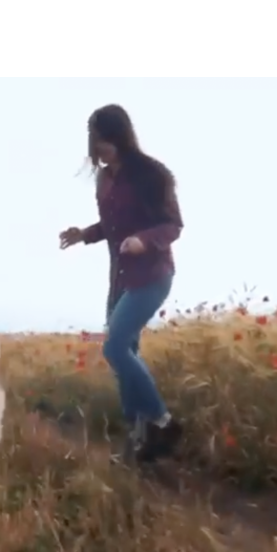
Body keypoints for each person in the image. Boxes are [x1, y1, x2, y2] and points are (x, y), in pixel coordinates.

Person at [60, 104, 184, 465]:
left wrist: (145, 240)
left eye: (104, 140)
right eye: (95, 140)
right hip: (119, 280)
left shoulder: (151, 174)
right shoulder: (104, 180)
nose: (99, 148)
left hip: (152, 276)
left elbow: (173, 225)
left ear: (120, 136)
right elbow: (111, 227)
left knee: (113, 347)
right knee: (125, 356)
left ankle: (164, 423)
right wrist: (84, 234)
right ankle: (139, 439)